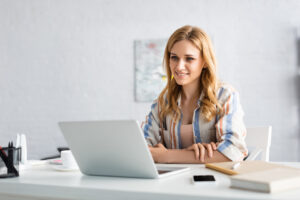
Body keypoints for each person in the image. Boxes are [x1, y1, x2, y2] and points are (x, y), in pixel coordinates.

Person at [141, 25, 248, 164]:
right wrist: (189, 154)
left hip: (214, 182)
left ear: (204, 61)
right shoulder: (161, 103)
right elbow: (141, 150)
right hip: (171, 182)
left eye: (189, 58)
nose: (179, 66)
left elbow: (233, 152)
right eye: (174, 57)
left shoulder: (224, 95)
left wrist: (166, 155)